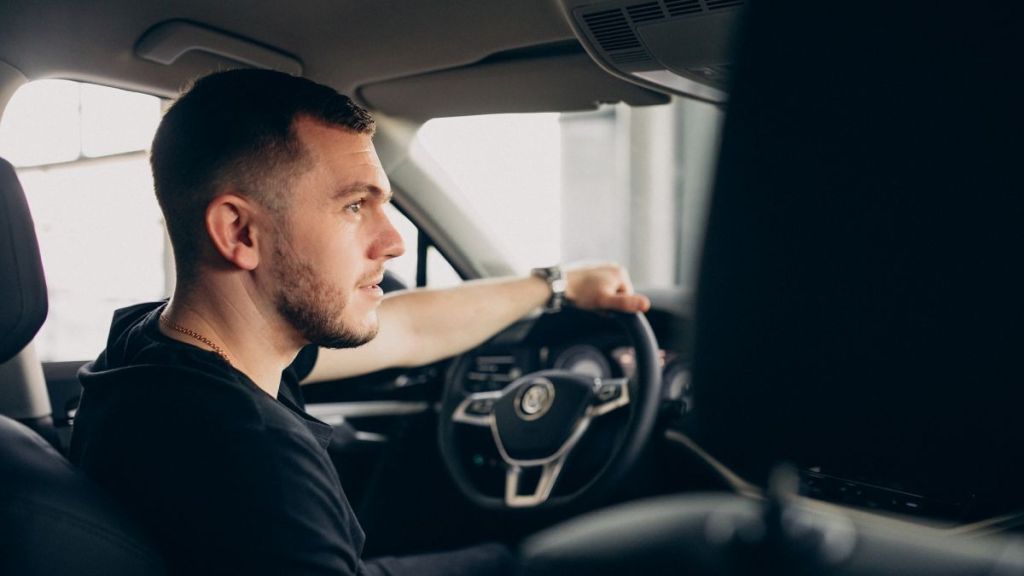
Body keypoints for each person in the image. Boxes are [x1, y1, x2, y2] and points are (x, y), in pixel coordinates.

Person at [69, 69, 650, 575]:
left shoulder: (150, 345)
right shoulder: (257, 461)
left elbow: (409, 329)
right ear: (240, 232)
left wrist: (555, 285)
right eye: (354, 205)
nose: (394, 241)